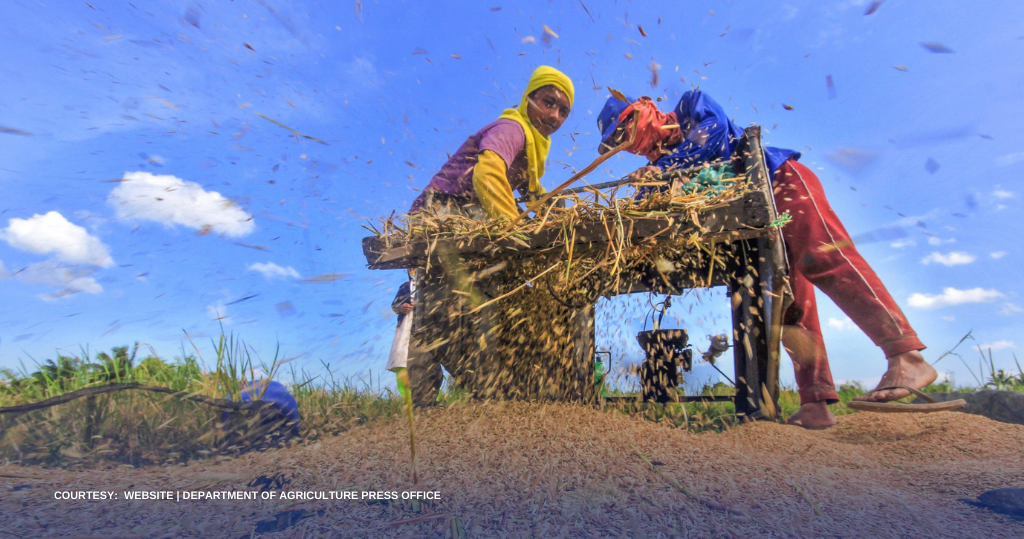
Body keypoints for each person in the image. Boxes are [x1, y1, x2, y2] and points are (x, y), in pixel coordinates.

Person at [596, 90, 936, 429]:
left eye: (626, 126)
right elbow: (653, 205)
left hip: (780, 183)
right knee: (787, 303)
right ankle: (815, 403)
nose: (627, 140)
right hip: (751, 224)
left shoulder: (689, 107)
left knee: (822, 258)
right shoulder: (655, 167)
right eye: (617, 140)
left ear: (644, 105)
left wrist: (665, 170)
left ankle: (906, 354)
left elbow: (713, 132)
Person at [405, 66, 575, 407]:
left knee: (473, 304)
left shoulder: (532, 145)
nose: (554, 115)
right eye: (547, 102)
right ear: (528, 98)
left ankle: (479, 396)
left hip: (469, 222)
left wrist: (553, 211)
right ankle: (429, 404)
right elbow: (489, 172)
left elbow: (532, 191)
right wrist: (512, 229)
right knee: (441, 309)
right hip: (441, 215)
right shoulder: (511, 128)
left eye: (563, 111)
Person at [386, 272, 414, 402]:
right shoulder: (405, 286)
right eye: (411, 268)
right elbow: (395, 305)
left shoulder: (429, 285)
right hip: (405, 325)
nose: (413, 270)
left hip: (423, 324)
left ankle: (432, 398)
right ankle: (407, 399)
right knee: (401, 358)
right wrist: (401, 307)